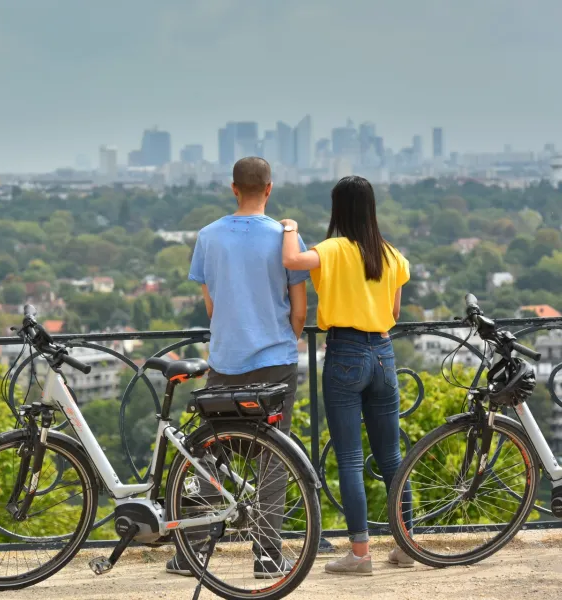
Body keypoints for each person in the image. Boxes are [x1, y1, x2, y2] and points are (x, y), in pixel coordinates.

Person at [166, 156, 310, 579]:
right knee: (272, 456)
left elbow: (211, 304)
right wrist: (286, 336)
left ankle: (192, 552)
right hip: (276, 361)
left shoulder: (208, 236)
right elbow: (299, 310)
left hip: (225, 361)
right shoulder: (286, 238)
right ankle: (267, 556)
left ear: (234, 188)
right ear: (269, 188)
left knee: (209, 451)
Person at [280, 175, 413, 576]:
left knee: (351, 460)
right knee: (392, 457)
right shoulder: (391, 254)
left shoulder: (333, 248)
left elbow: (291, 261)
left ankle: (360, 553)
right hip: (383, 355)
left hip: (345, 354)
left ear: (338, 209)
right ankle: (407, 544)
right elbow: (393, 315)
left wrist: (290, 228)